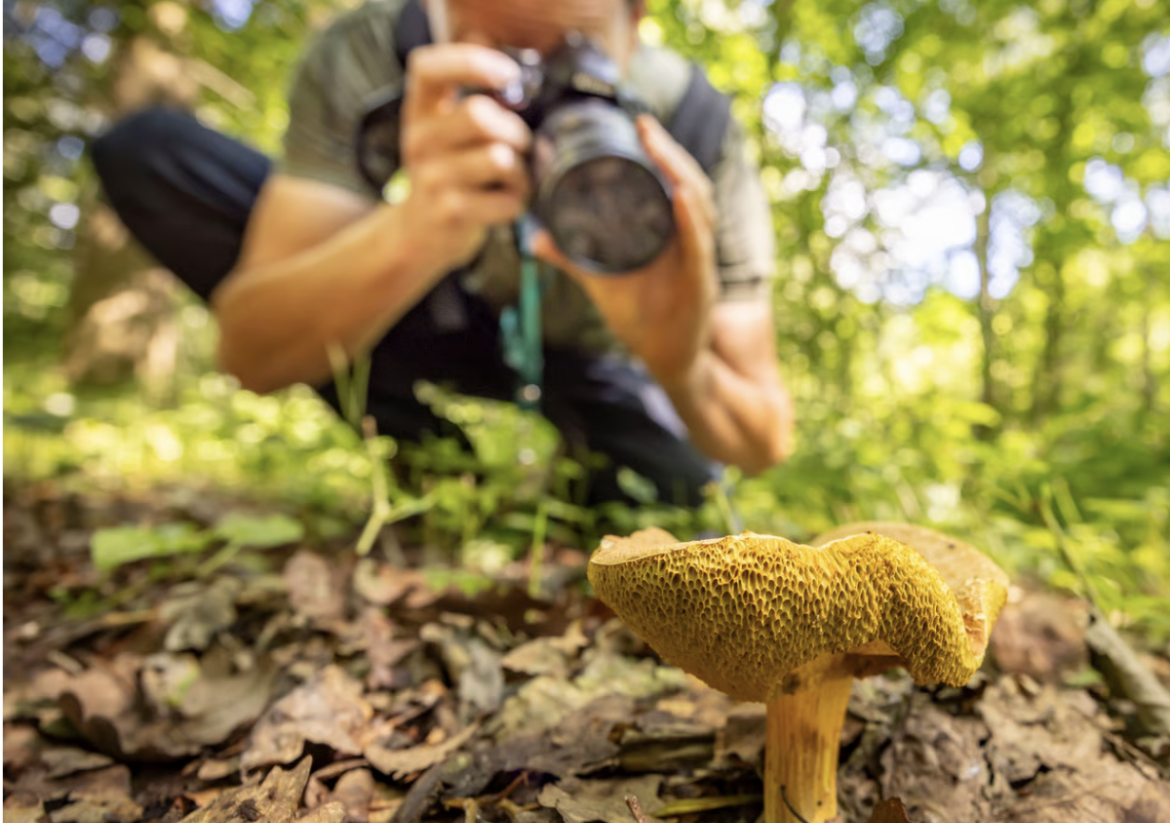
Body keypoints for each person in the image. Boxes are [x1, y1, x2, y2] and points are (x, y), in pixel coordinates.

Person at [90, 0, 795, 508]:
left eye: (573, 56)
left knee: (677, 489)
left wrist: (677, 359)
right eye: (504, 59)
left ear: (635, 24)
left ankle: (568, 479)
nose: (538, 101)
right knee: (152, 155)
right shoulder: (369, 55)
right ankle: (435, 460)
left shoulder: (697, 127)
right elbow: (252, 354)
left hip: (588, 357)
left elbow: (763, 438)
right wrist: (416, 230)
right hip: (424, 307)